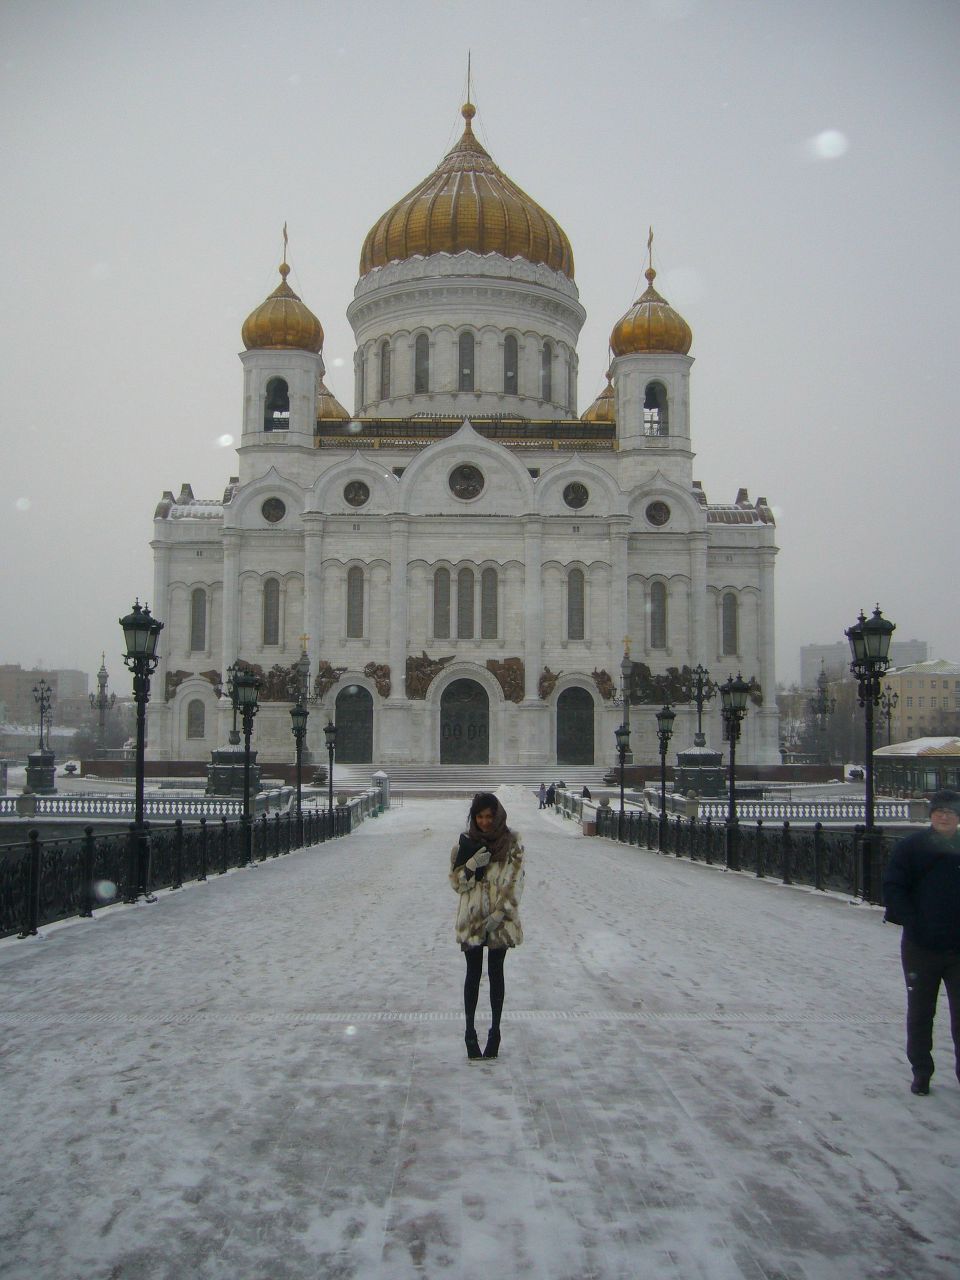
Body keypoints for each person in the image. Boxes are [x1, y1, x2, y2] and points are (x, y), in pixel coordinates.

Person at [882, 790, 960, 1095]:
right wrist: (913, 921)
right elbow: (893, 886)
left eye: (950, 812)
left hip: (958, 947)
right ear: (931, 815)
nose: (944, 816)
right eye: (939, 811)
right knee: (920, 1012)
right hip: (921, 946)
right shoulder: (911, 847)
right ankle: (921, 1071)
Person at [449, 792, 524, 1061]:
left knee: (495, 973)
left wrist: (501, 912)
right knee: (472, 974)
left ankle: (495, 1033)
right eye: (479, 817)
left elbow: (516, 882)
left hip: (499, 921)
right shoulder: (464, 844)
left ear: (497, 816)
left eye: (489, 817)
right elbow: (456, 884)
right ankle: (469, 1033)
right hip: (472, 919)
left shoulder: (511, 844)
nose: (484, 822)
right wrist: (469, 866)